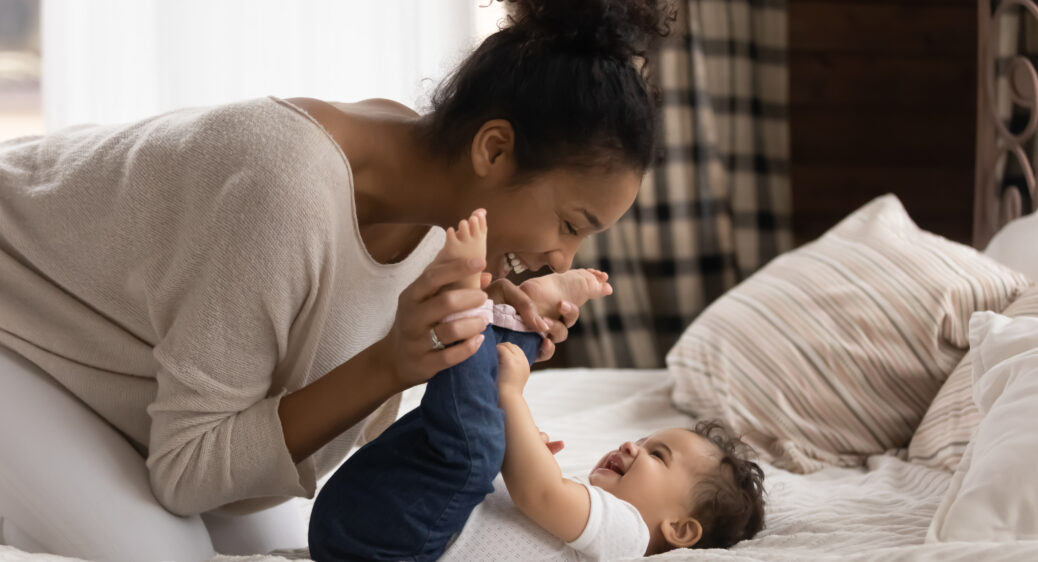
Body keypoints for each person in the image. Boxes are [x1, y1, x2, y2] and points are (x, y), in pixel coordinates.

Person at [0, 0, 671, 557]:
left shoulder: (435, 197)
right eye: (569, 223)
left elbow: (327, 303)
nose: (563, 258)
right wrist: (390, 365)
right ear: (493, 149)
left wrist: (488, 306)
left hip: (119, 369)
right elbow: (187, 474)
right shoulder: (283, 185)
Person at [308, 210, 615, 561]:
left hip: (377, 540)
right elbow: (540, 493)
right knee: (462, 430)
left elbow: (539, 494)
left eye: (659, 455)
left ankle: (470, 309)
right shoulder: (607, 511)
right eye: (646, 440)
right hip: (378, 524)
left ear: (680, 529)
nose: (633, 446)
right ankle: (503, 316)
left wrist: (512, 403)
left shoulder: (636, 531)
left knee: (470, 444)